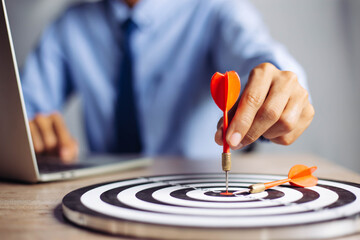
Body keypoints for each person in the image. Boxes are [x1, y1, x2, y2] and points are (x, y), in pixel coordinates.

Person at [21, 0, 314, 162]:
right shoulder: (71, 25)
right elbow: (21, 108)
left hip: (198, 200)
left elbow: (260, 54)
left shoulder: (216, 10)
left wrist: (280, 87)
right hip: (95, 200)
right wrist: (28, 131)